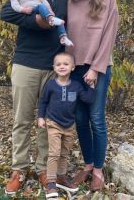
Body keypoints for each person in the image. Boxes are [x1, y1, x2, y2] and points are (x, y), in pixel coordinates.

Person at [0, 0, 69, 195]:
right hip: (26, 64)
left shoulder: (63, 0)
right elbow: (5, 13)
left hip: (52, 69)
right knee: (22, 120)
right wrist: (36, 20)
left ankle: (42, 168)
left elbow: (67, 28)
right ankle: (18, 169)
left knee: (47, 123)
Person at [66, 0, 119, 191]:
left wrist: (95, 69)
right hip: (73, 70)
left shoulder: (108, 0)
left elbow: (109, 36)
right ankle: (87, 165)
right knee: (79, 119)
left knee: (96, 118)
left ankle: (98, 169)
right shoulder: (70, 3)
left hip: (97, 69)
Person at [37, 52, 95, 198]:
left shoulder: (76, 86)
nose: (62, 66)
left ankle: (61, 178)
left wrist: (92, 87)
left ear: (73, 67)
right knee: (54, 153)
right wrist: (40, 117)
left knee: (64, 153)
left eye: (65, 64)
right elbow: (43, 101)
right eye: (58, 64)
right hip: (53, 123)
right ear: (54, 68)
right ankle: (51, 183)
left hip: (69, 125)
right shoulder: (51, 85)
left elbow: (88, 99)